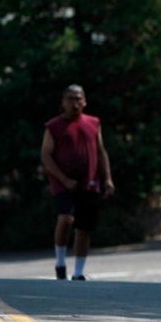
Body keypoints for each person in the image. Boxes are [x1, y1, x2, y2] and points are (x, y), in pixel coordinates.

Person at [40, 84, 115, 280]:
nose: (75, 103)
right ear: (63, 102)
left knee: (83, 227)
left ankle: (79, 272)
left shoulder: (93, 123)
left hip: (89, 182)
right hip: (62, 182)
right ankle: (60, 262)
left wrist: (107, 178)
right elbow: (46, 156)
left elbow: (101, 152)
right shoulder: (54, 126)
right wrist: (63, 179)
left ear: (85, 101)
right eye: (71, 99)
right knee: (66, 218)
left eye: (79, 99)